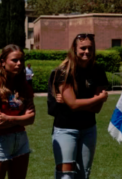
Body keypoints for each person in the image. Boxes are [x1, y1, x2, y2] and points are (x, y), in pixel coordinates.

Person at [50, 33, 109, 179]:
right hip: (65, 129)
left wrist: (78, 102)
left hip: (89, 129)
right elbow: (74, 105)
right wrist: (98, 98)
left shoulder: (98, 71)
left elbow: (97, 108)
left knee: (84, 174)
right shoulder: (64, 71)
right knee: (66, 175)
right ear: (74, 49)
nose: (87, 52)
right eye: (83, 48)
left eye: (90, 48)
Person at [0, 44, 35, 179]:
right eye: (14, 60)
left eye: (21, 60)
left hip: (21, 141)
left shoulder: (24, 87)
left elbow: (31, 119)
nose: (19, 63)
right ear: (3, 62)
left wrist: (9, 119)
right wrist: (21, 119)